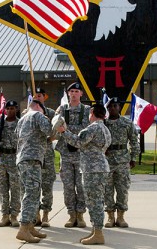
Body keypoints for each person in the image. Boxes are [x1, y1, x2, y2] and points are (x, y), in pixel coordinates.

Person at [57, 104, 111, 245]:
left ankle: (98, 233)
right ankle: (95, 230)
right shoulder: (105, 128)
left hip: (92, 169)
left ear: (92, 113)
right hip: (100, 167)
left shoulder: (92, 128)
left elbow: (78, 142)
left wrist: (64, 131)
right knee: (97, 200)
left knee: (94, 201)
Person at [15, 100, 52, 243]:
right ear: (38, 107)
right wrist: (52, 122)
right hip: (32, 159)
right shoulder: (38, 115)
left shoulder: (22, 119)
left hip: (23, 159)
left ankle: (30, 226)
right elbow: (48, 131)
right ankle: (23, 228)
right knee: (31, 193)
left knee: (30, 193)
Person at [55, 82, 90, 228]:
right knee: (68, 187)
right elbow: (55, 125)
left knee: (81, 186)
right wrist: (64, 129)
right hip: (66, 153)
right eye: (72, 91)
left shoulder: (87, 110)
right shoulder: (62, 109)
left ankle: (81, 215)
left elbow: (86, 129)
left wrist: (66, 129)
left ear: (81, 94)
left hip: (81, 154)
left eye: (77, 91)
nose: (74, 94)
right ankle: (71, 215)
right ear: (68, 93)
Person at [104, 97, 139, 228]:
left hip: (123, 160)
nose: (113, 108)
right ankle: (110, 216)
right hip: (107, 161)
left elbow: (134, 140)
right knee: (107, 189)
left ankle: (121, 217)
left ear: (119, 107)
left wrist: (134, 157)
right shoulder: (103, 123)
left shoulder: (126, 122)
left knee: (122, 189)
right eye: (110, 107)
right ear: (107, 109)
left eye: (115, 106)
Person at [0, 100, 20, 228]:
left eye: (12, 108)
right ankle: (5, 216)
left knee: (15, 189)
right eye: (8, 109)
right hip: (1, 159)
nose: (10, 111)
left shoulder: (20, 124)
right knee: (2, 189)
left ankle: (14, 216)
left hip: (15, 159)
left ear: (16, 109)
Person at [33, 87, 56, 227]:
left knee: (47, 186)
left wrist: (49, 137)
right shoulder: (27, 114)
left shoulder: (51, 113)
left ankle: (46, 214)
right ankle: (36, 215)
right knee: (33, 186)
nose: (37, 97)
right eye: (35, 95)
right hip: (33, 156)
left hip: (47, 155)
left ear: (44, 97)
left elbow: (56, 131)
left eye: (40, 95)